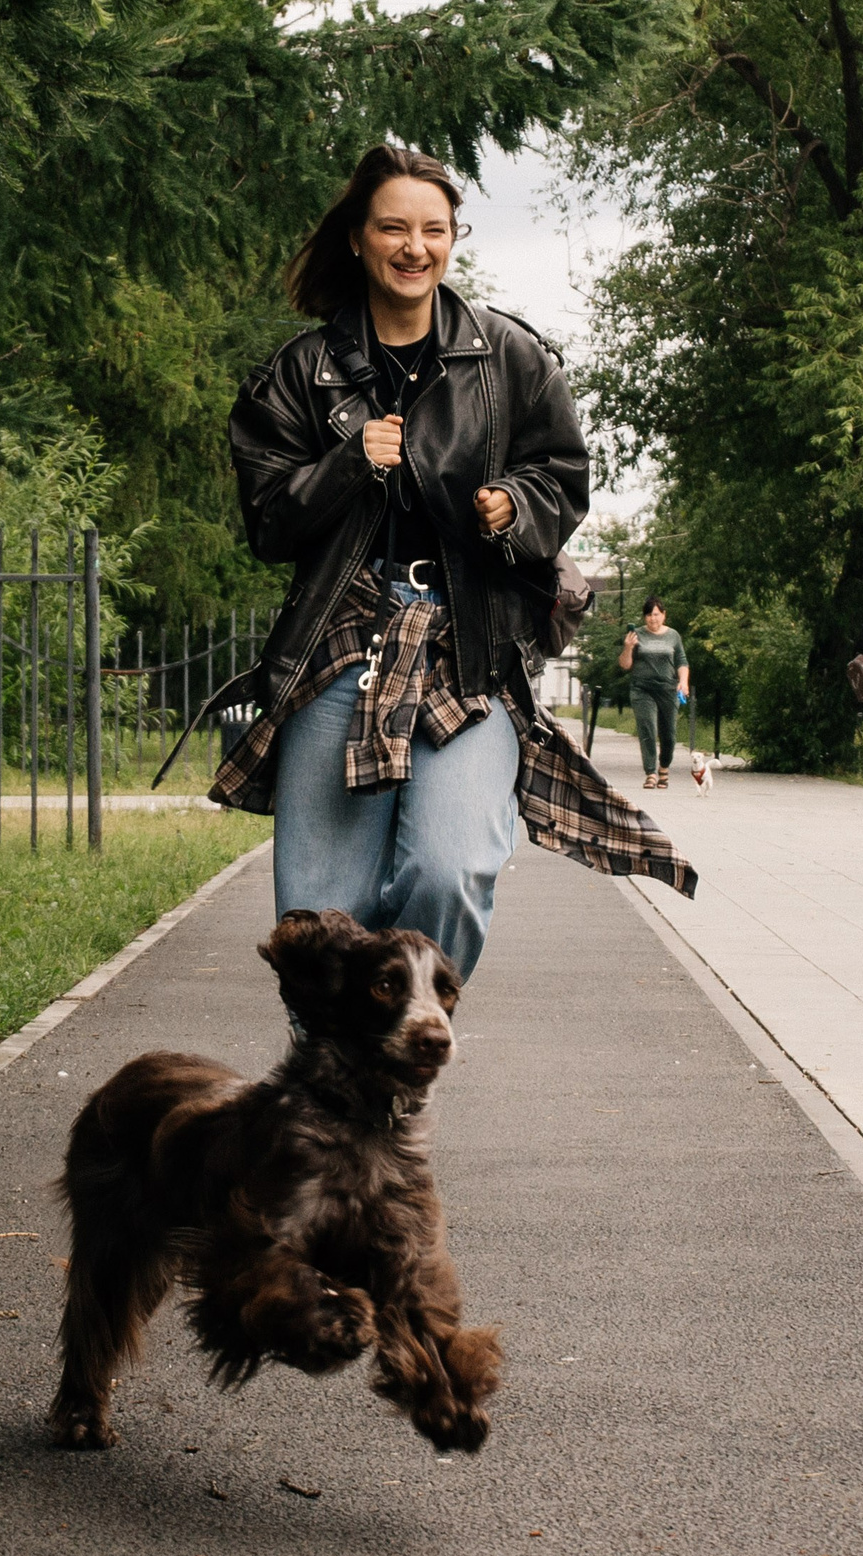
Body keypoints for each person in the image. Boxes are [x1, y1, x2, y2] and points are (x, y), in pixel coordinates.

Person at [213, 144, 694, 980]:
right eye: (393, 227)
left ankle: (403, 1036)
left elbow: (565, 476)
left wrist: (518, 506)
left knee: (452, 864)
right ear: (359, 239)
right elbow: (268, 523)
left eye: (433, 229)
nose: (414, 246)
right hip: (341, 645)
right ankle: (335, 1088)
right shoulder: (298, 375)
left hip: (468, 649)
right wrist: (347, 463)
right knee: (322, 910)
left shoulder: (511, 359)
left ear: (453, 238)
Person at [618, 597, 690, 791]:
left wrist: (683, 682)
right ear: (645, 617)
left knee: (669, 735)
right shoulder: (636, 635)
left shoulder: (673, 636)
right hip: (642, 688)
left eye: (656, 614)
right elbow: (625, 665)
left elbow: (682, 662)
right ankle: (650, 773)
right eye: (649, 615)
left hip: (668, 688)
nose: (653, 619)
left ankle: (664, 768)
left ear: (663, 615)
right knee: (648, 729)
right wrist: (628, 647)